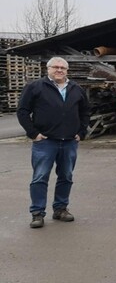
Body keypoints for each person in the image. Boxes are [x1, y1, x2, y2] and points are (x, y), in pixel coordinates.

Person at [17, 57, 89, 229]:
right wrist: (33, 133)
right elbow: (22, 111)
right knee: (40, 177)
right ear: (47, 69)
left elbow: (85, 112)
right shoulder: (35, 87)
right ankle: (37, 213)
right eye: (55, 67)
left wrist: (81, 132)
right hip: (45, 142)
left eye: (63, 67)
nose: (59, 70)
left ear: (67, 70)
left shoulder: (76, 89)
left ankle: (60, 209)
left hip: (69, 141)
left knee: (66, 176)